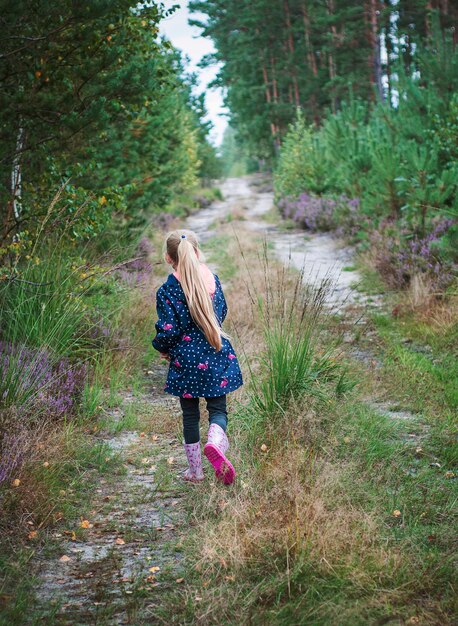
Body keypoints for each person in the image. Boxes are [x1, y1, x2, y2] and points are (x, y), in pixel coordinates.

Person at [151, 229, 242, 485]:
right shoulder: (212, 280)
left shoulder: (167, 290)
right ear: (197, 251)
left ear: (169, 258)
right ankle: (215, 441)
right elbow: (220, 313)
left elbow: (169, 330)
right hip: (215, 349)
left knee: (190, 415)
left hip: (186, 361)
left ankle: (196, 471)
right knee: (217, 409)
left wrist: (161, 346)